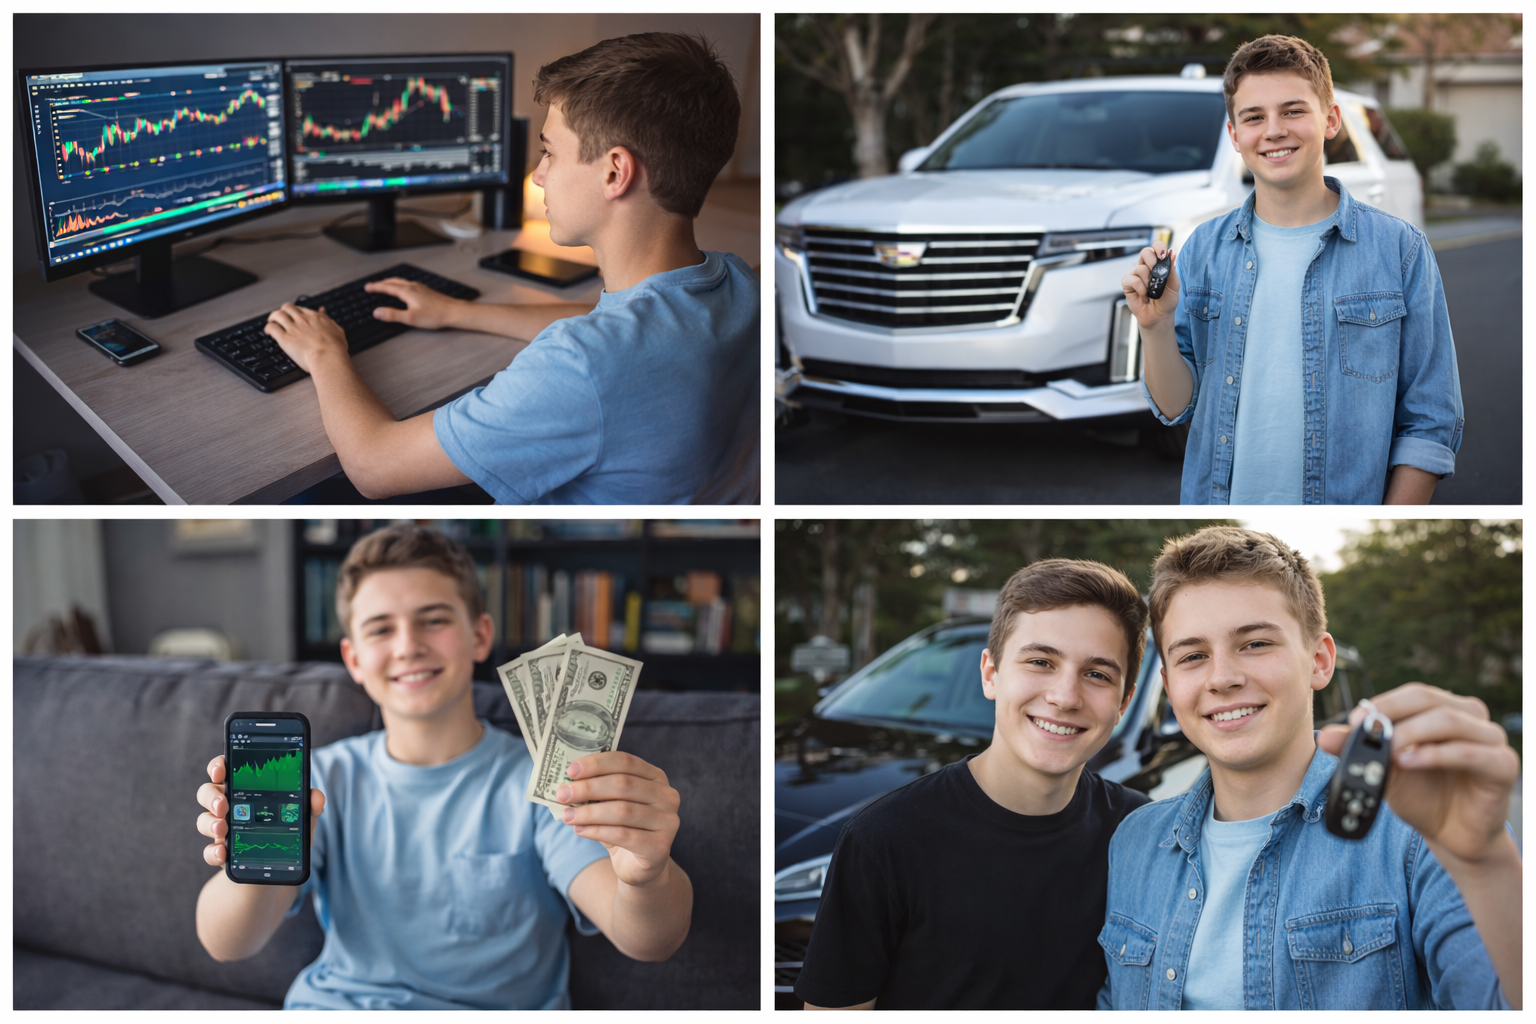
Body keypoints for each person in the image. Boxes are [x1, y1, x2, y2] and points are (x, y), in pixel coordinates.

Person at [193, 524, 692, 1009]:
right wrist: (252, 863)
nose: (408, 644)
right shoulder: (321, 782)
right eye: (381, 628)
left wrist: (646, 876)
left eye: (433, 619)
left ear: (480, 636)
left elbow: (647, 940)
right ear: (355, 659)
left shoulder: (552, 782)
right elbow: (226, 944)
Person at [263, 34, 758, 504]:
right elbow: (603, 327)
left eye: (549, 152)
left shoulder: (581, 365)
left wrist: (326, 352)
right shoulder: (738, 282)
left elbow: (373, 466)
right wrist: (458, 311)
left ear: (614, 172)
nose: (539, 175)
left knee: (306, 491)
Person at [1098, 527, 1519, 1010]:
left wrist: (1486, 864)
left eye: (1255, 644)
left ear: (1319, 661)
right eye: (1193, 656)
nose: (1223, 678)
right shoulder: (1132, 843)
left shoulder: (1416, 836)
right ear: (1170, 688)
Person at [1121, 35, 1463, 505]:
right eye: (1254, 117)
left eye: (1293, 110)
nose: (1274, 130)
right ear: (1234, 135)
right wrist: (1154, 327)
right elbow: (1175, 408)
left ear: (1330, 120)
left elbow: (1430, 419)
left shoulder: (1401, 249)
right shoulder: (1202, 248)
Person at [795, 560, 1152, 1009]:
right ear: (990, 673)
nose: (1065, 697)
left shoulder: (1141, 832)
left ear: (1124, 702)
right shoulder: (884, 839)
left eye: (1097, 674)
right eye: (1040, 661)